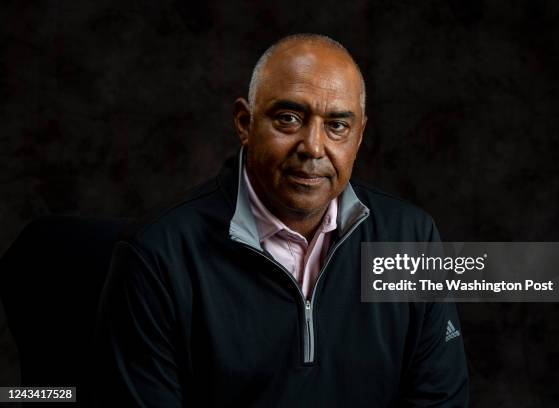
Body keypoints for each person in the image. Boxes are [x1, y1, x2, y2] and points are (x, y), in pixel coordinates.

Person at [94, 33, 469, 407]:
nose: (313, 147)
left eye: (337, 125)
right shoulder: (157, 256)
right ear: (245, 123)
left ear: (359, 136)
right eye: (289, 118)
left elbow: (440, 401)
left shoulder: (411, 237)